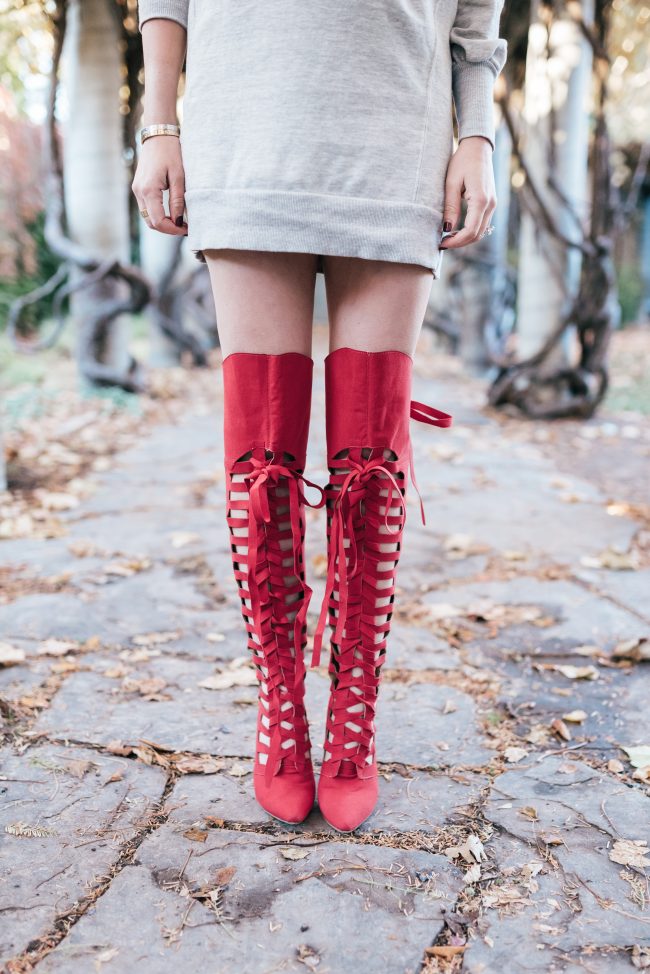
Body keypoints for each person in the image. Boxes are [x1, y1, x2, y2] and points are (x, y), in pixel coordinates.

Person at [133, 0, 507, 833]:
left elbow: (476, 15)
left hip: (394, 144)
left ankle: (352, 715)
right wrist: (160, 121)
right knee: (260, 471)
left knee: (370, 472)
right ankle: (280, 711)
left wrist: (476, 136)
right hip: (246, 134)